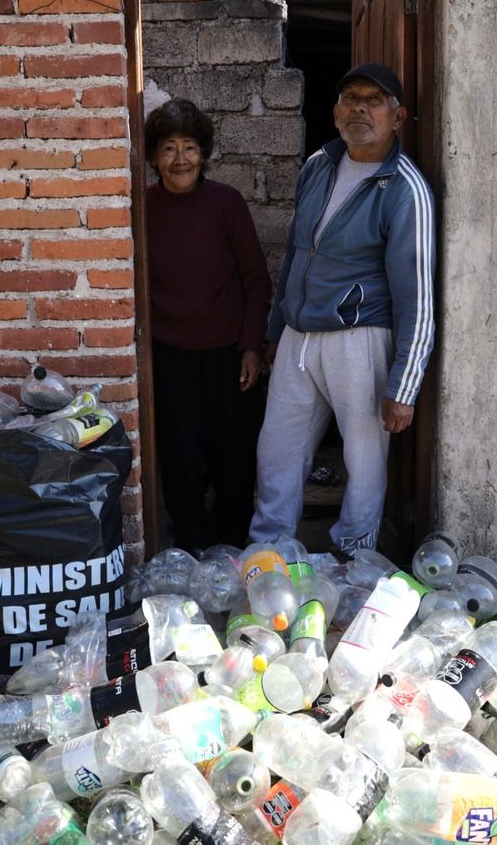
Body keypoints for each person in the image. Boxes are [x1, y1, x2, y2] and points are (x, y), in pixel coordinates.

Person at [249, 63, 435, 557]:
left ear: (398, 117)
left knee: (364, 459)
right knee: (278, 452)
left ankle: (355, 557)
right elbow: (292, 254)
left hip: (361, 339)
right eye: (350, 98)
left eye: (373, 100)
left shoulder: (404, 188)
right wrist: (274, 328)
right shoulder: (319, 165)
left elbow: (416, 293)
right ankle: (269, 554)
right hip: (297, 337)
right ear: (334, 114)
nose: (359, 108)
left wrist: (404, 385)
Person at [144, 97, 272, 552]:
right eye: (169, 148)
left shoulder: (226, 204)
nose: (180, 159)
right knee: (180, 458)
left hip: (228, 356)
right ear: (154, 156)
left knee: (234, 459)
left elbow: (257, 279)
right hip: (169, 356)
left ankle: (233, 553)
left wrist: (251, 346)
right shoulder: (142, 210)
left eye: (190, 147)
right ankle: (191, 552)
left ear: (205, 153)